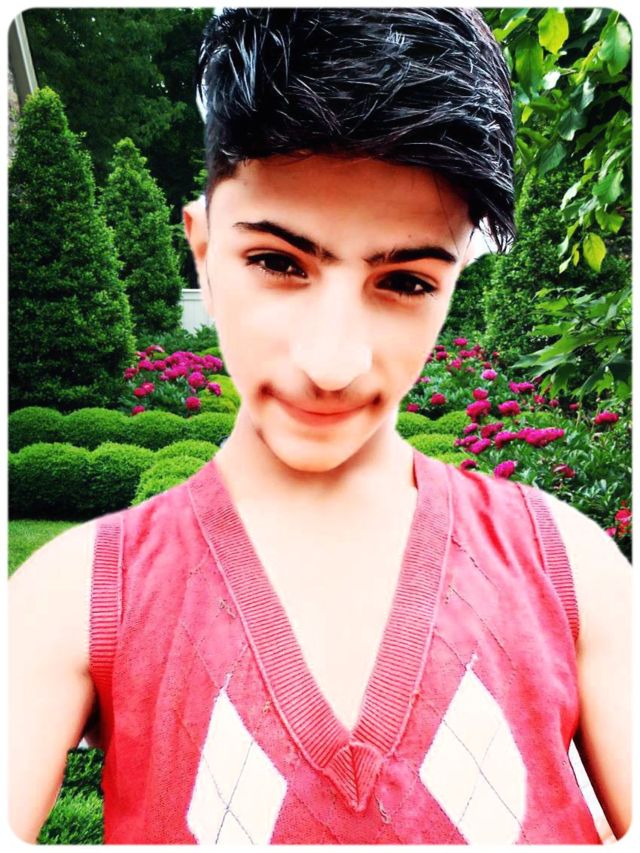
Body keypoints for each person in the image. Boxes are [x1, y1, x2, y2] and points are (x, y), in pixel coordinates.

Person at [9, 7, 631, 845]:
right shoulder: (77, 597)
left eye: (405, 281)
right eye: (278, 262)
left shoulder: (571, 573)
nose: (333, 361)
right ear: (203, 247)